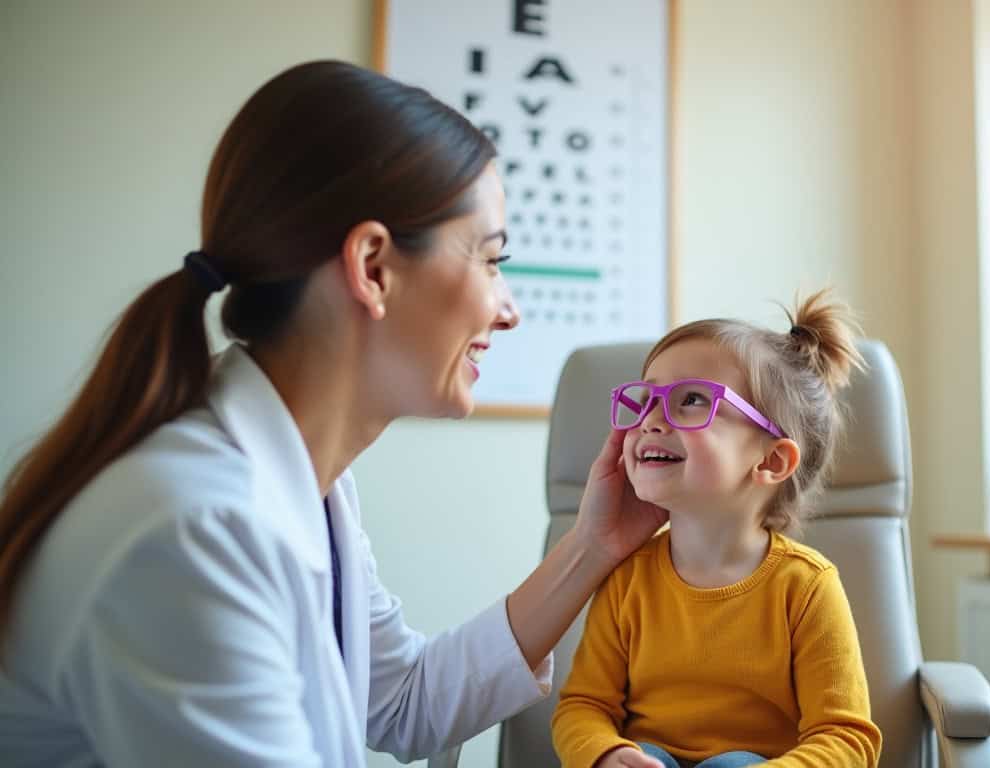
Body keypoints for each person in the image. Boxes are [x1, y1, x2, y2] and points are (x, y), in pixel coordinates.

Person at [0, 60, 668, 766]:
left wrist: (596, 544)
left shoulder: (306, 486)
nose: (509, 311)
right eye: (492, 260)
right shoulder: (191, 525)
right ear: (374, 267)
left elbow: (403, 701)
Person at [550, 291, 883, 768]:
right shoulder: (626, 579)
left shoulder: (806, 586)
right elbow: (583, 706)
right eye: (645, 399)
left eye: (690, 401)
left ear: (771, 460)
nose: (650, 421)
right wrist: (606, 754)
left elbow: (846, 737)